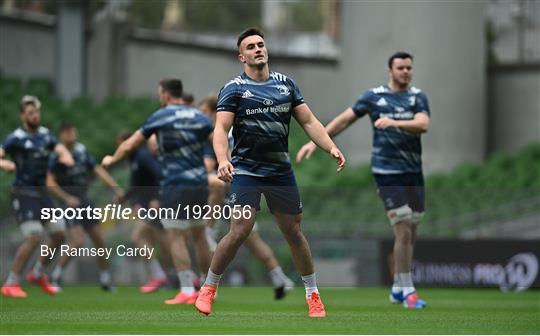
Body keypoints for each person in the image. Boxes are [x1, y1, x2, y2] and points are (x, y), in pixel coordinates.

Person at [194, 27, 345, 318]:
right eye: (250, 47)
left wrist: (330, 147)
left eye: (261, 44)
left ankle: (313, 296)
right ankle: (209, 288)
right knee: (240, 229)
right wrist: (223, 160)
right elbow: (221, 129)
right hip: (246, 171)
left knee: (294, 233)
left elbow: (310, 122)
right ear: (242, 56)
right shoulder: (234, 88)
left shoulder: (286, 85)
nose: (258, 49)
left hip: (280, 172)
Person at [296, 51, 430, 309]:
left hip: (413, 172)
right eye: (400, 68)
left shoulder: (418, 97)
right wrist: (317, 142)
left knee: (411, 231)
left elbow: (423, 124)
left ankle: (397, 289)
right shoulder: (373, 96)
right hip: (386, 171)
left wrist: (394, 122)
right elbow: (345, 119)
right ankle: (407, 290)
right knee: (402, 227)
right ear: (389, 71)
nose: (405, 72)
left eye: (409, 68)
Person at [101, 79, 213, 305]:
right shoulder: (200, 117)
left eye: (160, 93)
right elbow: (218, 141)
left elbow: (131, 143)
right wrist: (226, 162)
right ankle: (208, 288)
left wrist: (112, 159)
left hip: (175, 184)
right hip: (200, 183)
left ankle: (186, 290)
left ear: (165, 94)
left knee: (176, 236)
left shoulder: (161, 116)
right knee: (200, 236)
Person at [199, 95, 294, 300]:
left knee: (210, 238)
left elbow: (210, 166)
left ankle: (209, 228)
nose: (203, 117)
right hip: (241, 187)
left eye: (205, 113)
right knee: (250, 238)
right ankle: (280, 278)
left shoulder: (218, 132)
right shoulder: (235, 128)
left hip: (233, 190)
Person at [0, 95, 74, 298]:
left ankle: (39, 273)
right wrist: (5, 163)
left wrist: (66, 157)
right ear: (23, 116)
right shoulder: (15, 138)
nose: (35, 116)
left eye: (37, 112)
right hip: (24, 193)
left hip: (42, 194)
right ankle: (11, 282)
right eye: (31, 113)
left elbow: (60, 150)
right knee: (34, 236)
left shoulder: (46, 135)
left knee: (59, 234)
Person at [46, 122, 124, 291]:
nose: (71, 134)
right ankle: (56, 276)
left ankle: (105, 279)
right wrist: (66, 197)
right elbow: (49, 181)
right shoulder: (57, 155)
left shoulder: (82, 152)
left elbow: (97, 170)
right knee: (78, 240)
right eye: (67, 132)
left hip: (84, 199)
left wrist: (115, 188)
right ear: (61, 135)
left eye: (73, 131)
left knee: (100, 240)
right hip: (67, 201)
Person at [116, 130, 171, 294]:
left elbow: (160, 176)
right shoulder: (135, 159)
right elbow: (136, 185)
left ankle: (160, 275)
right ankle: (186, 277)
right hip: (150, 205)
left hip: (158, 204)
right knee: (165, 242)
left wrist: (157, 199)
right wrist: (127, 198)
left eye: (121, 144)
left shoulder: (142, 156)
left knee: (138, 237)